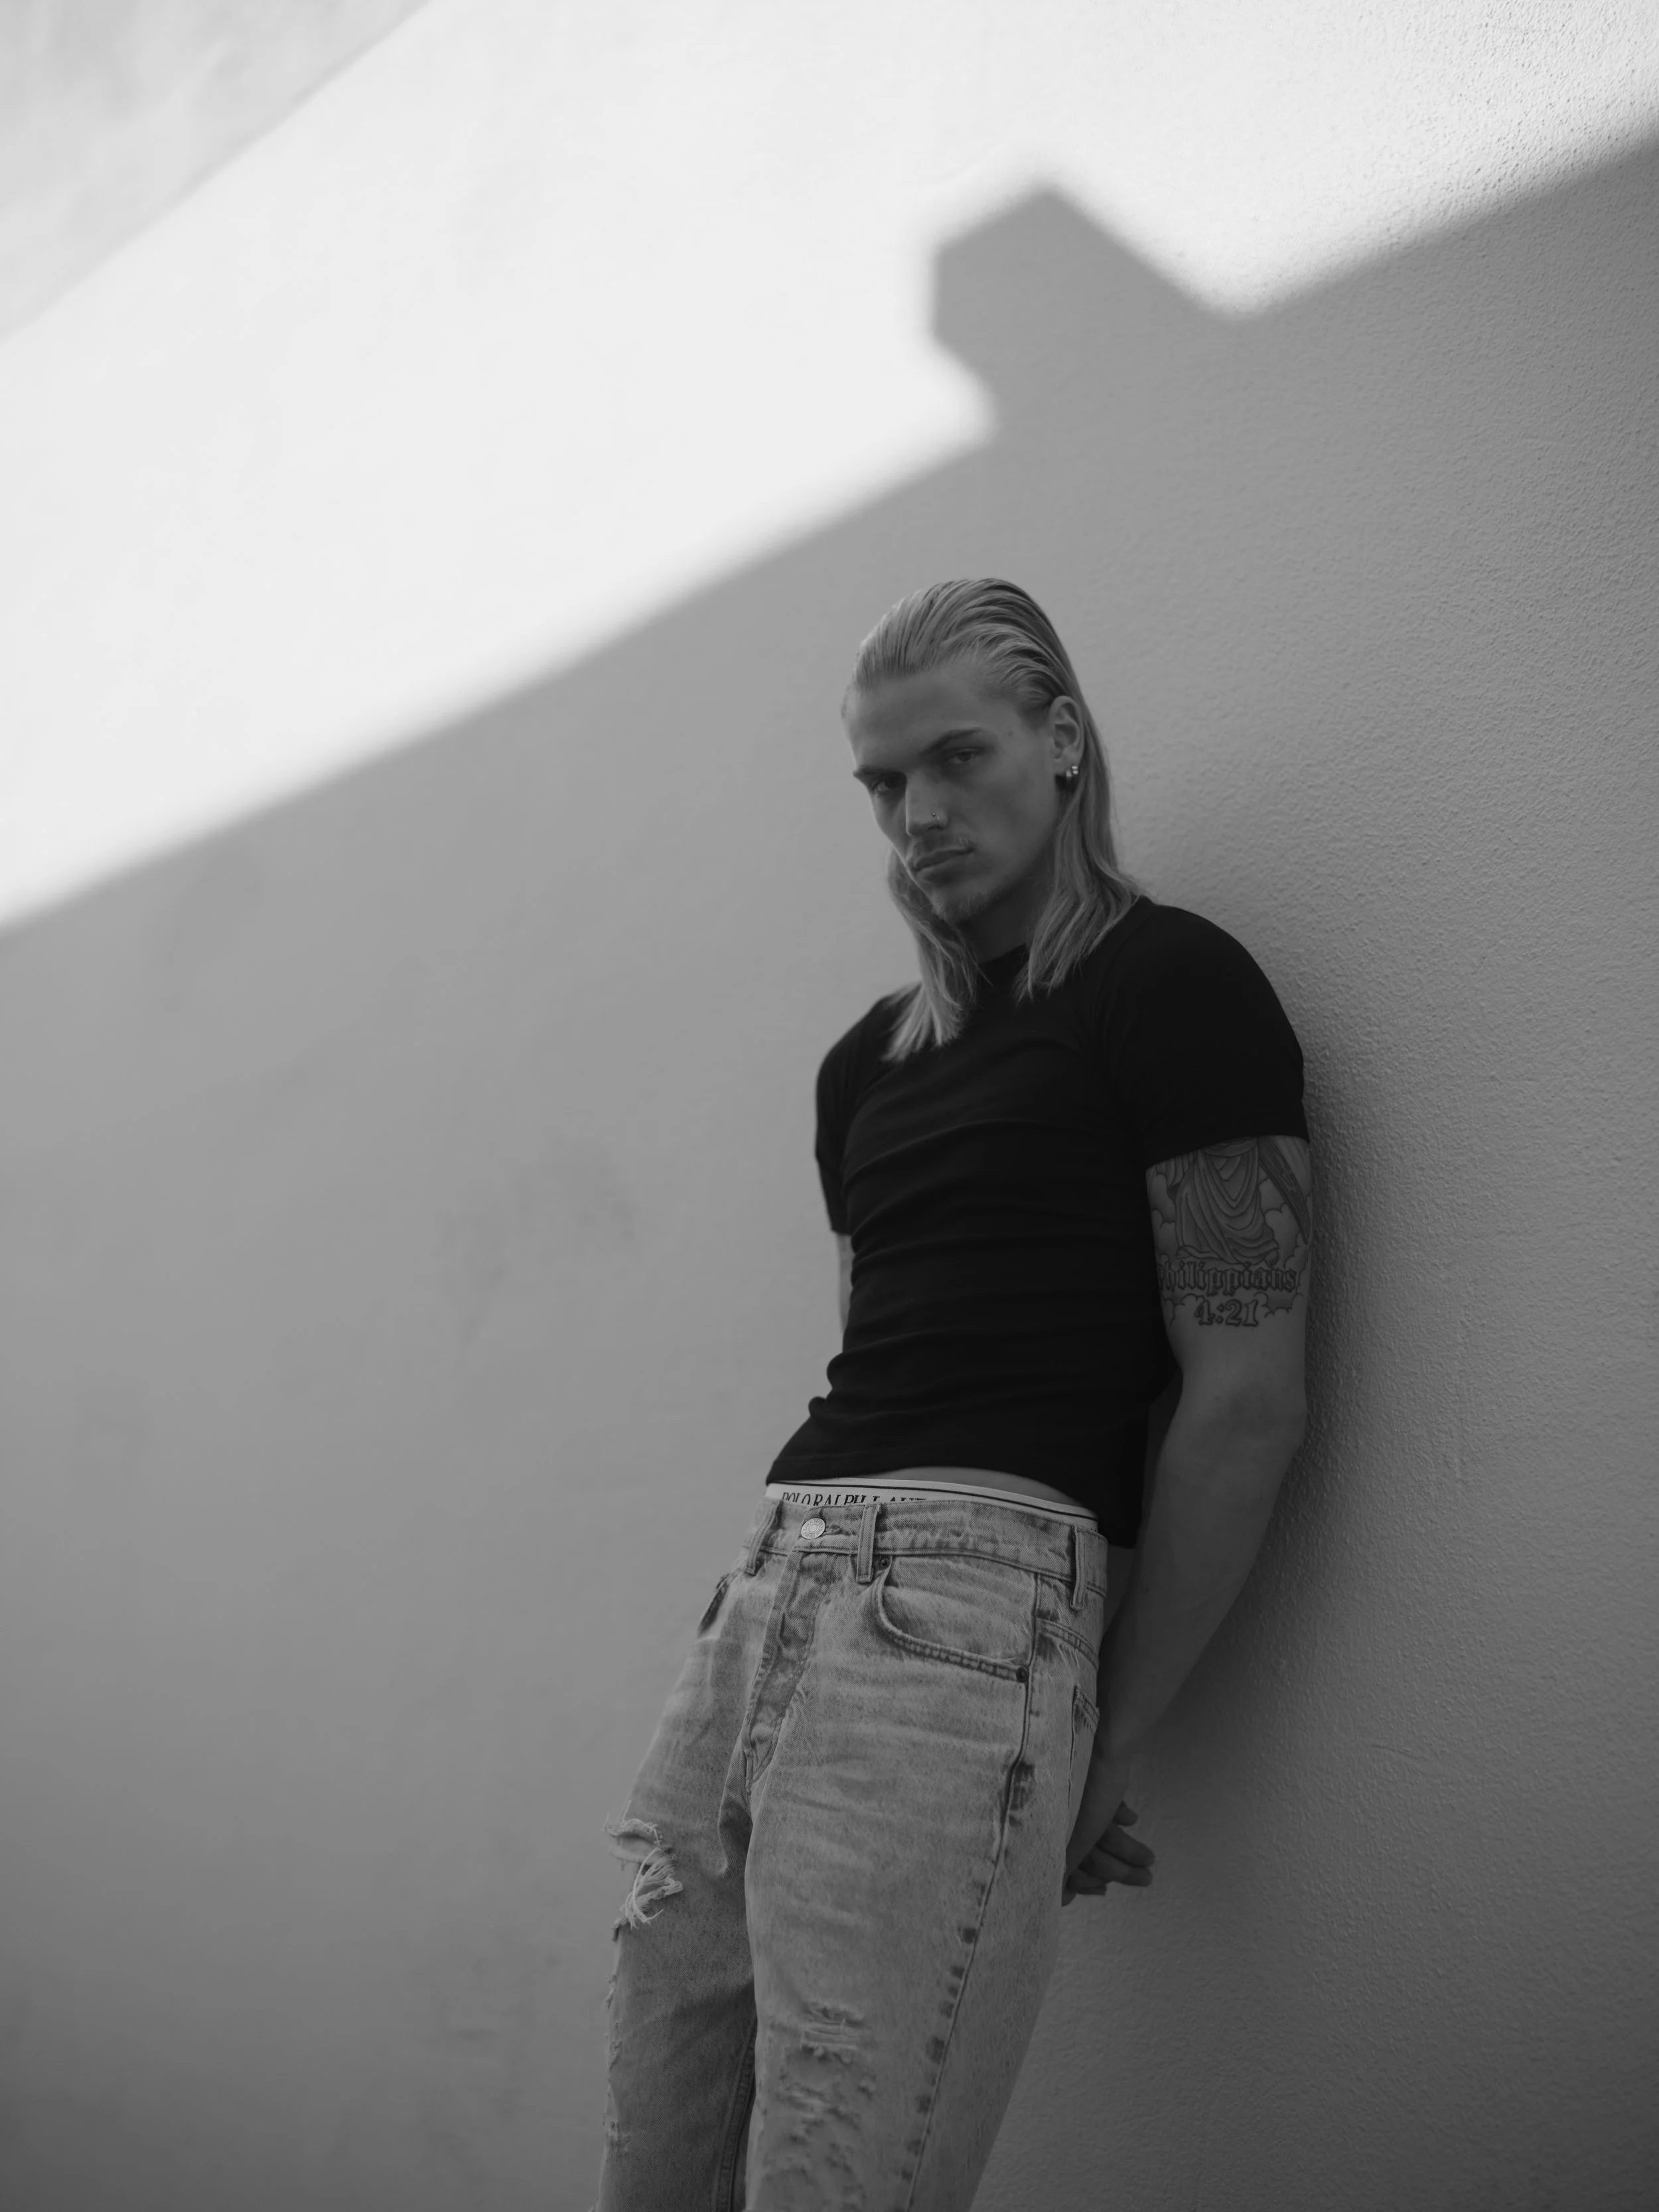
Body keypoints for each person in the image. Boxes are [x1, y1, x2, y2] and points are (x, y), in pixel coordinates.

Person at [595, 579, 1313, 2209]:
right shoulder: (868, 1063)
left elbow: (1246, 1401)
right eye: (877, 781)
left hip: (963, 1621)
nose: (916, 815)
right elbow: (882, 1349)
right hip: (763, 1602)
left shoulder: (1172, 986)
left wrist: (1105, 1738)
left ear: (1060, 743)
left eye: (955, 757)